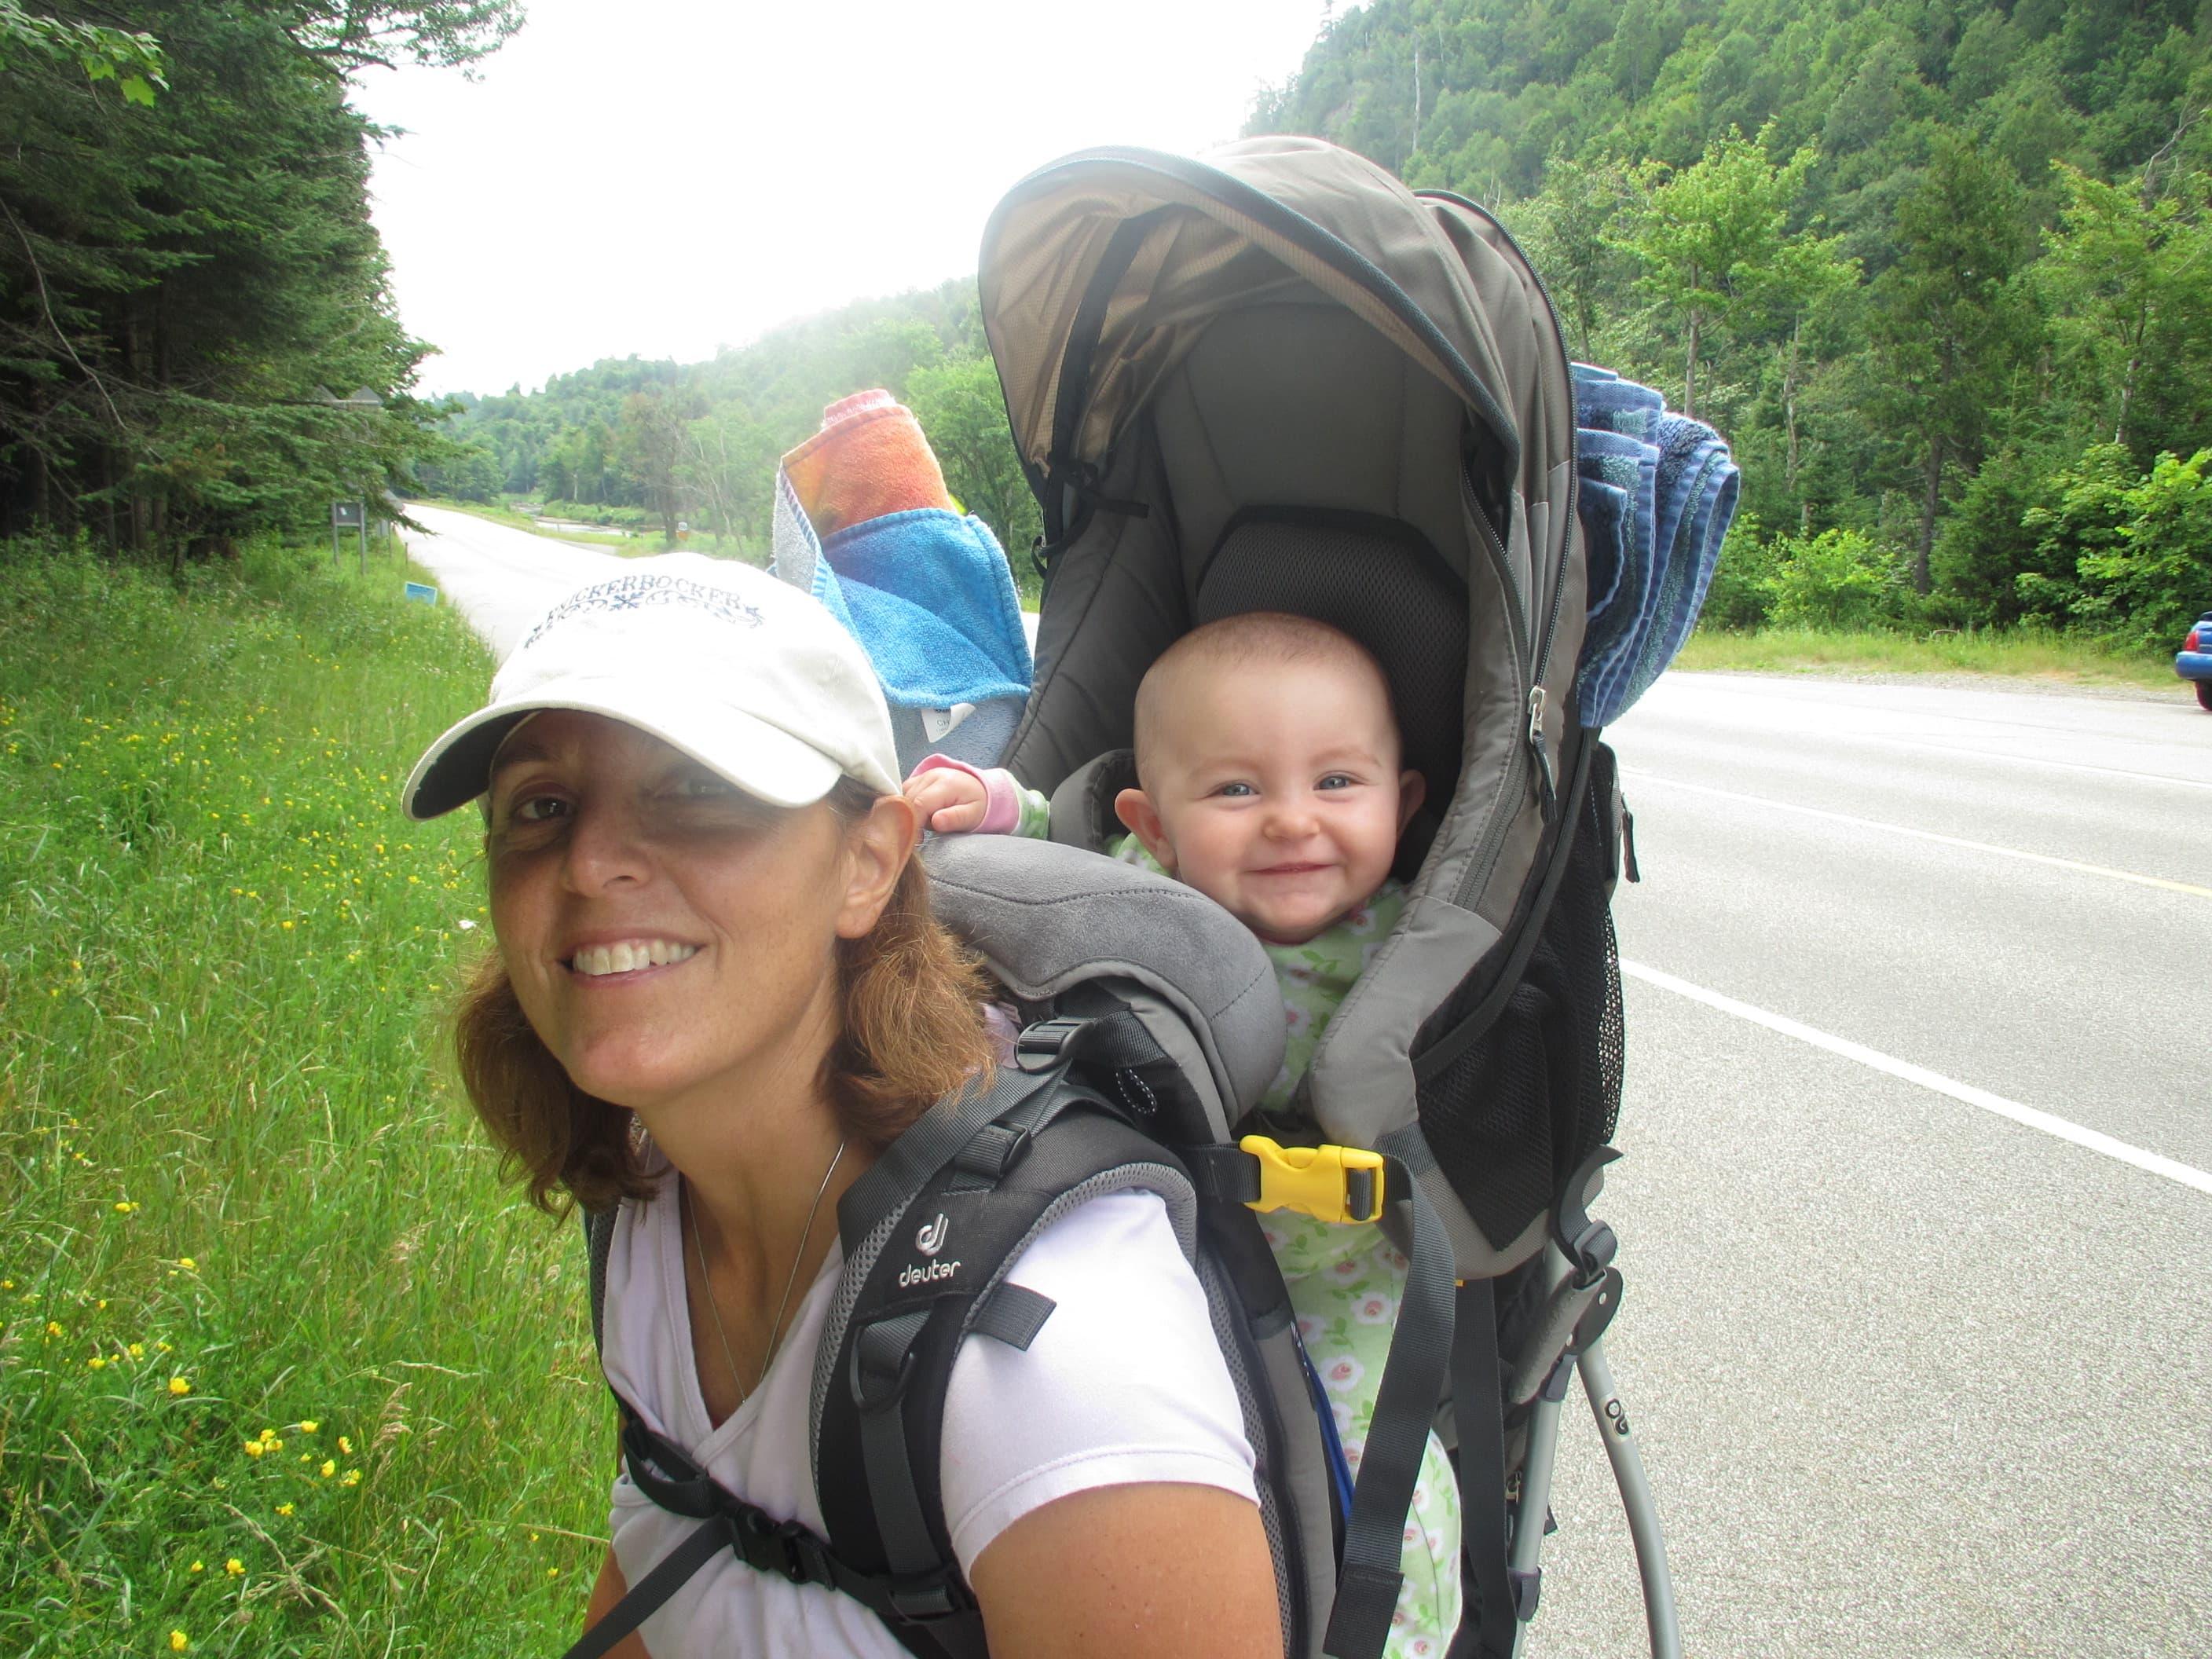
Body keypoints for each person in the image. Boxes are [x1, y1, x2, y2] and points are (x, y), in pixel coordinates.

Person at [402, 553, 1279, 1658]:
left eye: (697, 789)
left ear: (869, 862)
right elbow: (672, 1540)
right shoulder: (652, 1191)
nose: (588, 863)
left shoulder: (1059, 1363)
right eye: (541, 805)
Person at [904, 612, 1464, 1654]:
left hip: (1328, 1334)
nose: (1294, 822)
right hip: (1134, 1308)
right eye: (1237, 790)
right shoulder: (1138, 894)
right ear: (1152, 824)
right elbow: (1050, 852)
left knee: (1371, 1518)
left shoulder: (1409, 952)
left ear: (1407, 800)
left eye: (1338, 783)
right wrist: (992, 803)